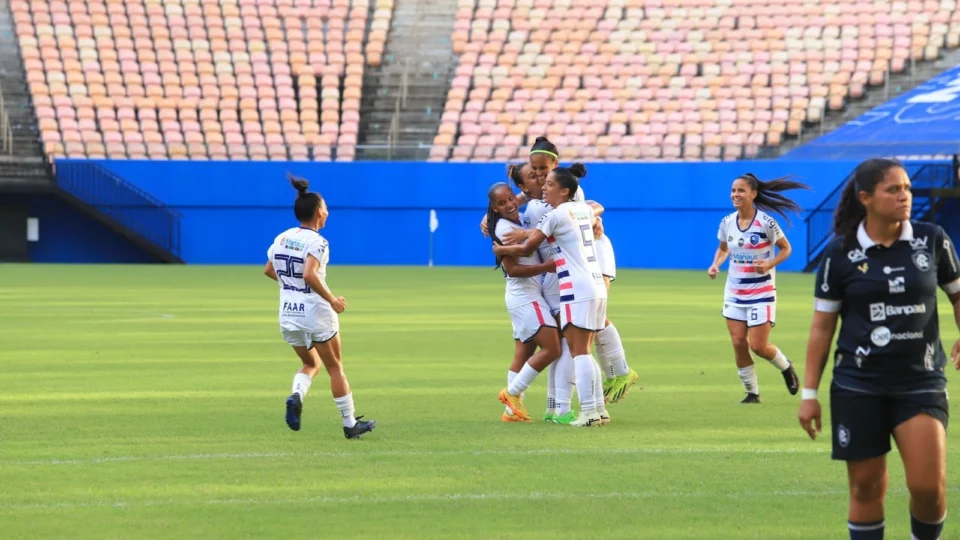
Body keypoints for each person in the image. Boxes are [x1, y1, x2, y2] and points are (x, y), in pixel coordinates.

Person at [799, 158, 960, 540]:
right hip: (858, 385)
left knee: (928, 488)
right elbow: (822, 329)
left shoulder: (932, 239)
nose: (905, 195)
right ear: (866, 198)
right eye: (894, 189)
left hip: (920, 382)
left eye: (907, 187)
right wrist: (809, 394)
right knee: (866, 488)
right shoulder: (839, 254)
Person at [494, 164, 610, 427]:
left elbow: (525, 249)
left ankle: (589, 412)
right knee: (584, 350)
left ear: (564, 190)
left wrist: (500, 250)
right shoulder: (583, 209)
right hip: (596, 284)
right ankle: (598, 411)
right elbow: (596, 209)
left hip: (574, 287)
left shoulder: (555, 216)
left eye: (549, 185)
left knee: (579, 352)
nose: (543, 188)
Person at [264, 175, 376, 439]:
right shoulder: (319, 242)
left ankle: (296, 395)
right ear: (317, 212)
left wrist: (291, 287)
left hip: (288, 313)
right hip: (316, 313)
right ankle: (350, 424)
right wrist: (332, 299)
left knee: (309, 363)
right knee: (335, 367)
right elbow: (310, 274)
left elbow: (269, 270)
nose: (327, 212)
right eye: (324, 207)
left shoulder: (282, 237)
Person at [707, 173, 807, 403]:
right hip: (734, 292)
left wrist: (770, 264)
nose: (735, 194)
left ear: (753, 194)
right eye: (733, 190)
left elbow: (786, 249)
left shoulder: (766, 222)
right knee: (738, 343)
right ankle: (752, 393)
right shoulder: (727, 222)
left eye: (741, 190)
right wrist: (715, 264)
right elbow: (723, 249)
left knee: (759, 346)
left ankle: (785, 367)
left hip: (761, 293)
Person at [487, 181, 562, 422]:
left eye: (510, 198)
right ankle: (512, 393)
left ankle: (512, 413)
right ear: (494, 208)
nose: (509, 204)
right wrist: (548, 267)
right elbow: (514, 270)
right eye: (502, 203)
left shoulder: (519, 220)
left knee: (524, 352)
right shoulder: (504, 229)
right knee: (553, 348)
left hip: (522, 296)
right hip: (525, 294)